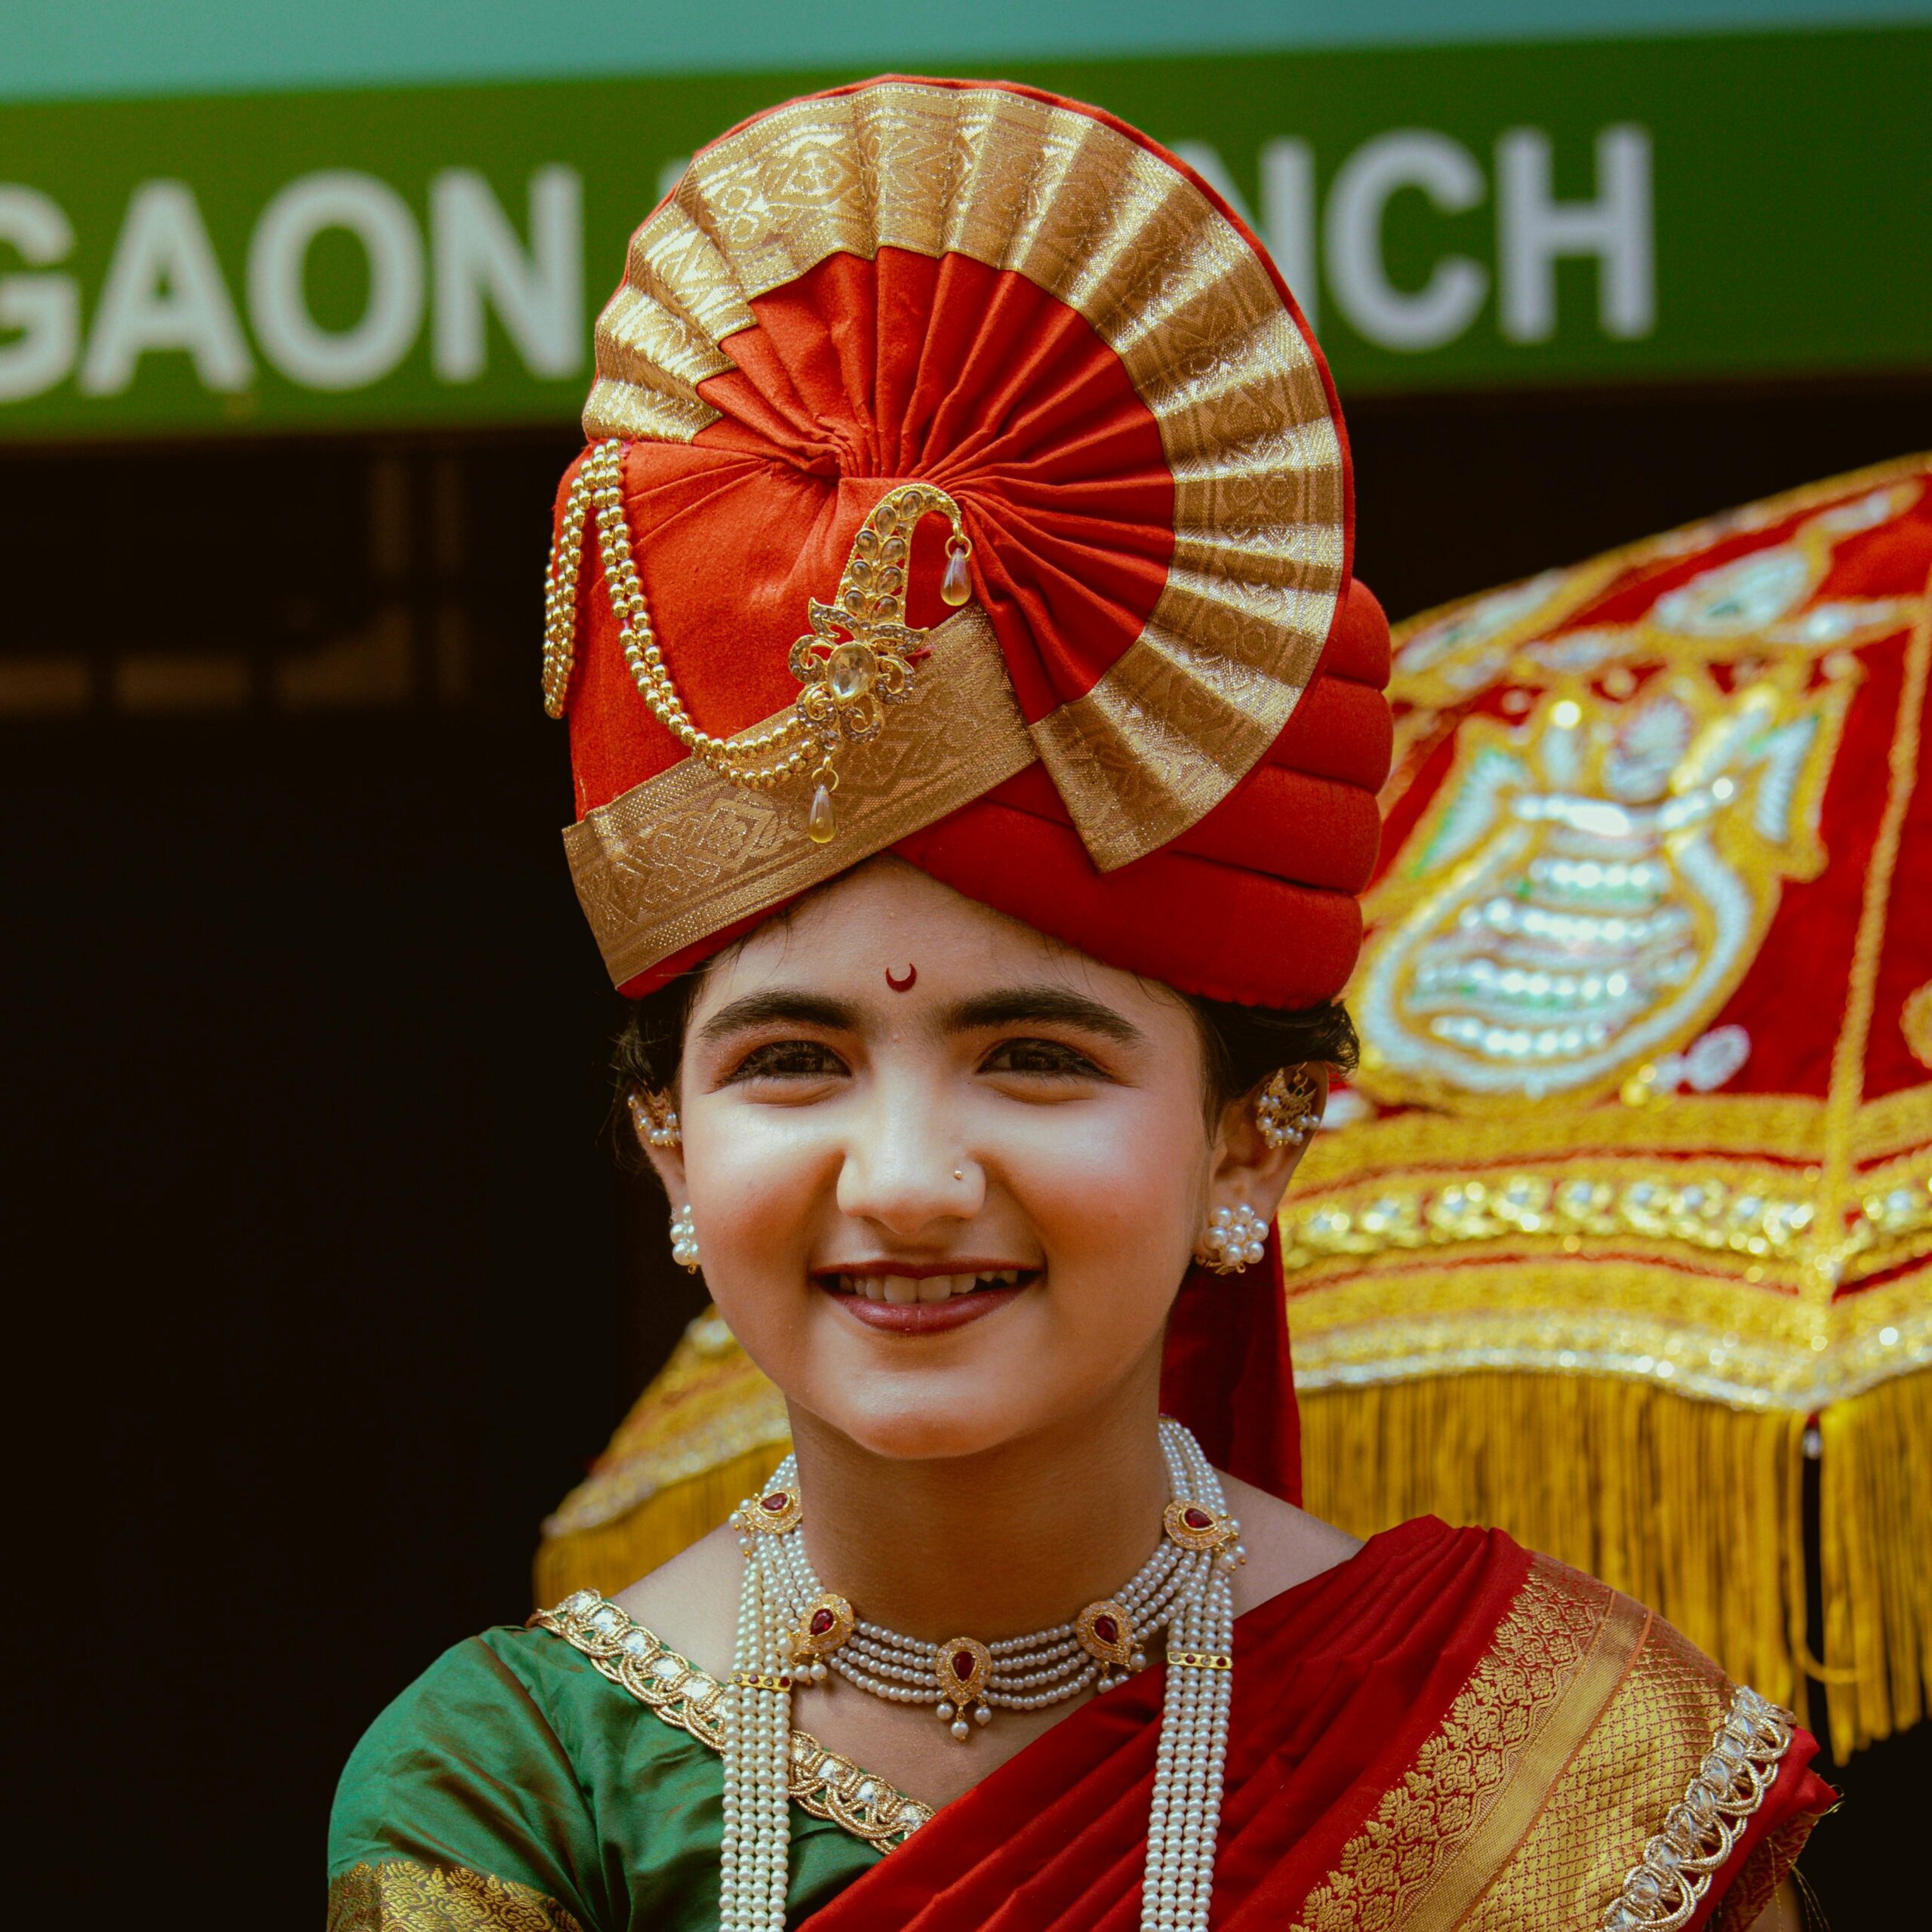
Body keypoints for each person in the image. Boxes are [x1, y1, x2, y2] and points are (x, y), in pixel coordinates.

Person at [328, 75, 1832, 1932]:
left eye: (1031, 1055)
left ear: (1246, 1138)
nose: (901, 1175)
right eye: (790, 1058)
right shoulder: (517, 1788)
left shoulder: (1562, 1772)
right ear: (668, 1141)